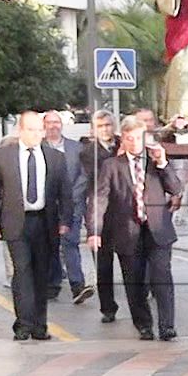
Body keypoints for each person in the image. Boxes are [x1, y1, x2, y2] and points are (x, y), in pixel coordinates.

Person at [89, 114, 182, 341]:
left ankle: (167, 325)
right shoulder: (111, 166)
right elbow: (100, 198)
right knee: (135, 281)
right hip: (127, 230)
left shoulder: (154, 162)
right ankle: (143, 324)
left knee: (162, 277)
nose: (134, 143)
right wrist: (95, 230)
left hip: (157, 230)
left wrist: (163, 162)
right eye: (129, 138)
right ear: (123, 140)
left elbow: (175, 187)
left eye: (138, 138)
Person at [0, 111, 70, 341]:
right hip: (16, 222)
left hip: (44, 221)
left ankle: (40, 325)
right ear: (20, 130)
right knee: (22, 272)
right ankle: (23, 323)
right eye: (31, 129)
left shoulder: (54, 158)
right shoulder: (4, 155)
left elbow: (65, 193)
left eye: (39, 130)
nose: (36, 134)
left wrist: (65, 221)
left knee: (42, 274)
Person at [42, 110, 92, 305]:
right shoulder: (38, 148)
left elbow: (84, 175)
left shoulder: (77, 148)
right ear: (44, 126)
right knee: (50, 244)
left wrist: (70, 197)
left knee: (70, 242)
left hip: (72, 203)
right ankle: (52, 284)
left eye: (57, 122)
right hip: (47, 205)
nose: (53, 126)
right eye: (49, 123)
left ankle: (77, 286)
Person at [79, 112, 124, 323]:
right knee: (103, 264)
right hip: (100, 212)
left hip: (124, 210)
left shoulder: (124, 143)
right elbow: (98, 177)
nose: (105, 129)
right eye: (100, 126)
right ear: (93, 130)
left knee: (130, 261)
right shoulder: (89, 152)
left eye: (108, 125)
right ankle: (108, 307)